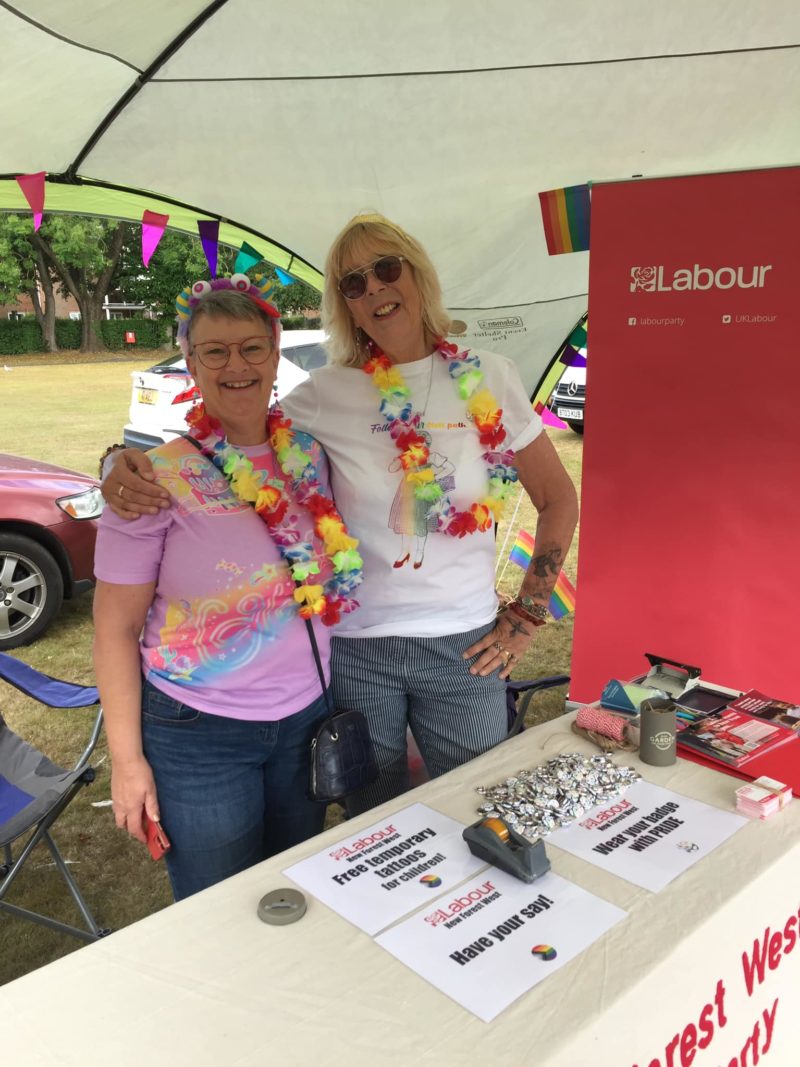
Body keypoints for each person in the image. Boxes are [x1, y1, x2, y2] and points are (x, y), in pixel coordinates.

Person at [103, 214, 578, 816]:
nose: (375, 289)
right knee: (372, 819)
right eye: (354, 283)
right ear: (345, 306)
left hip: (467, 641)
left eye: (386, 269)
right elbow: (232, 431)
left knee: (485, 805)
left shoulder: (490, 376)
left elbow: (558, 497)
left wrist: (528, 614)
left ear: (417, 274)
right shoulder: (326, 392)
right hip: (357, 649)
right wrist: (119, 461)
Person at [93, 275, 362, 899]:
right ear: (191, 361)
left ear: (275, 356)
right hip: (197, 732)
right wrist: (128, 763)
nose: (235, 365)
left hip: (305, 715)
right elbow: (115, 628)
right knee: (218, 904)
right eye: (215, 350)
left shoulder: (310, 455)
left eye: (251, 348)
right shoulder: (150, 479)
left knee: (297, 887)